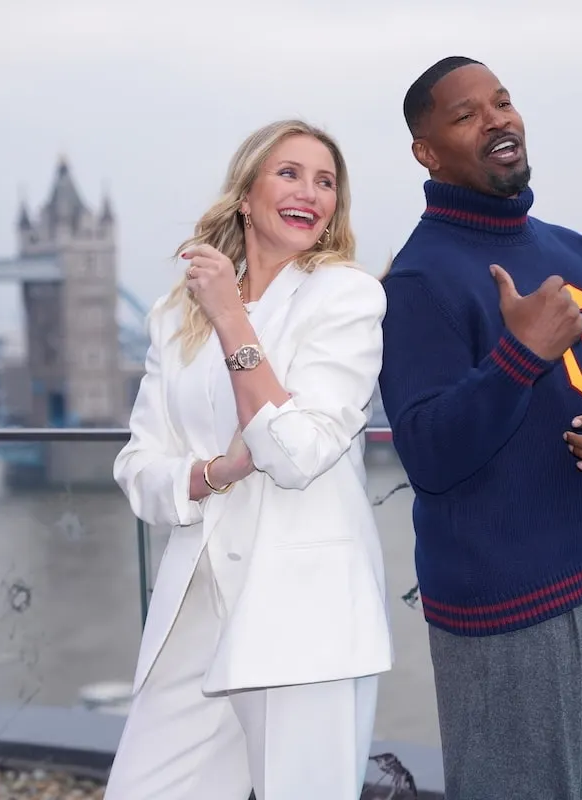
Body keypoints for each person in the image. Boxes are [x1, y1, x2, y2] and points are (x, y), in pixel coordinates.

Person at [377, 57, 582, 799]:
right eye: (465, 115)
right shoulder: (418, 280)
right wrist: (521, 353)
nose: (497, 118)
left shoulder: (574, 249)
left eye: (502, 102)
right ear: (426, 153)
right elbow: (428, 453)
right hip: (505, 613)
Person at [104, 119, 393, 800]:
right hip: (196, 608)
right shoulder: (175, 316)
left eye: (326, 181)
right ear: (246, 194)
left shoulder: (348, 297)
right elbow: (139, 466)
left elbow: (299, 453)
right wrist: (211, 474)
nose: (310, 192)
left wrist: (235, 319)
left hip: (302, 613)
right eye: (289, 173)